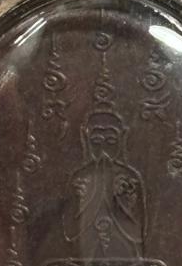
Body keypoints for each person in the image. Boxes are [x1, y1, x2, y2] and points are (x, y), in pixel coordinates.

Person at [62, 110, 147, 258]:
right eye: (96, 141)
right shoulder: (80, 179)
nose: (103, 148)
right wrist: (96, 191)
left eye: (111, 141)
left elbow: (138, 235)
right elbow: (70, 233)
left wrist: (112, 195)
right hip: (83, 261)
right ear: (86, 139)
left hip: (125, 259)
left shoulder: (129, 178)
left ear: (122, 138)